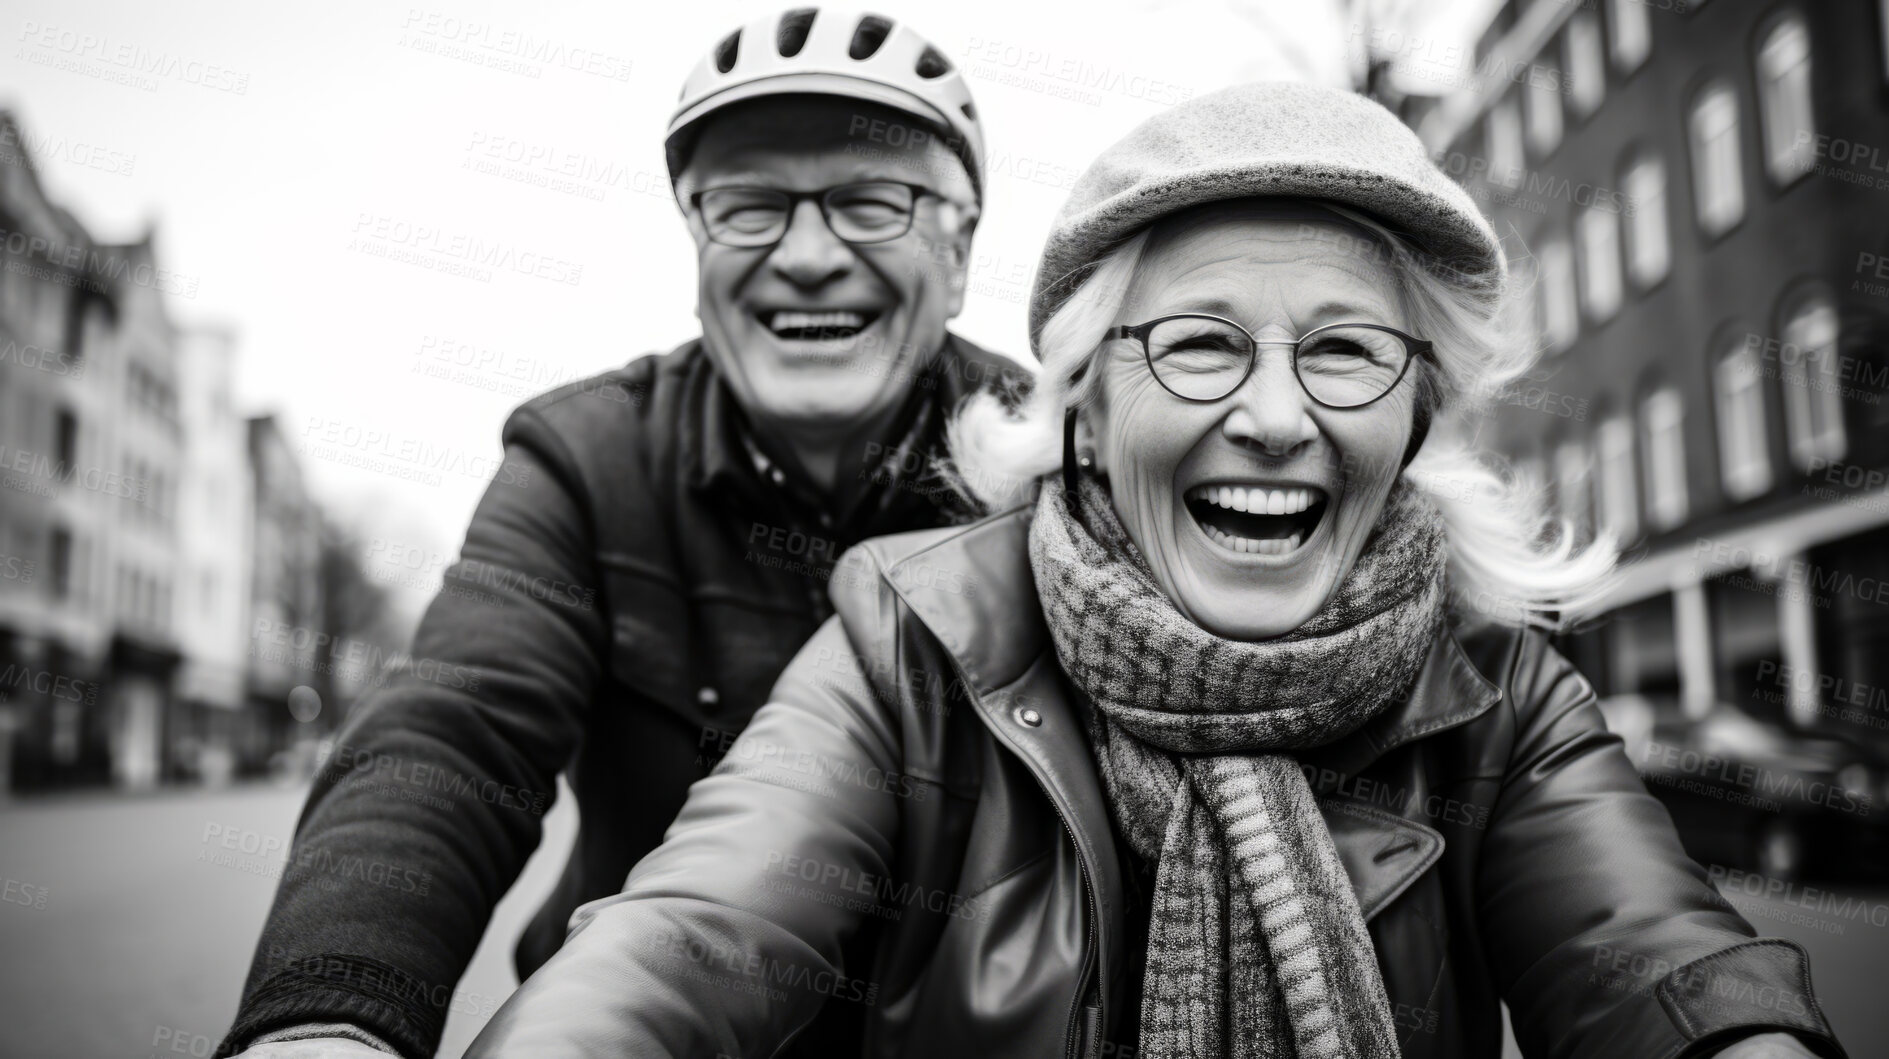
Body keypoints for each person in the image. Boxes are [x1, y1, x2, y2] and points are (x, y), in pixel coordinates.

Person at [463, 82, 1848, 1059]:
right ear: (1082, 404)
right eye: (1197, 342)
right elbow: (695, 930)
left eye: (1346, 348)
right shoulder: (915, 640)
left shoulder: (1496, 689)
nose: (1275, 413)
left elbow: (1661, 968)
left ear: (1416, 409)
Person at [216, 9, 1026, 1058]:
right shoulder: (587, 457)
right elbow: (451, 737)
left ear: (957, 250)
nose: (809, 254)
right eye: (747, 205)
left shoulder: (1053, 468)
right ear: (695, 240)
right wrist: (326, 1016)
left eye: (872, 204)